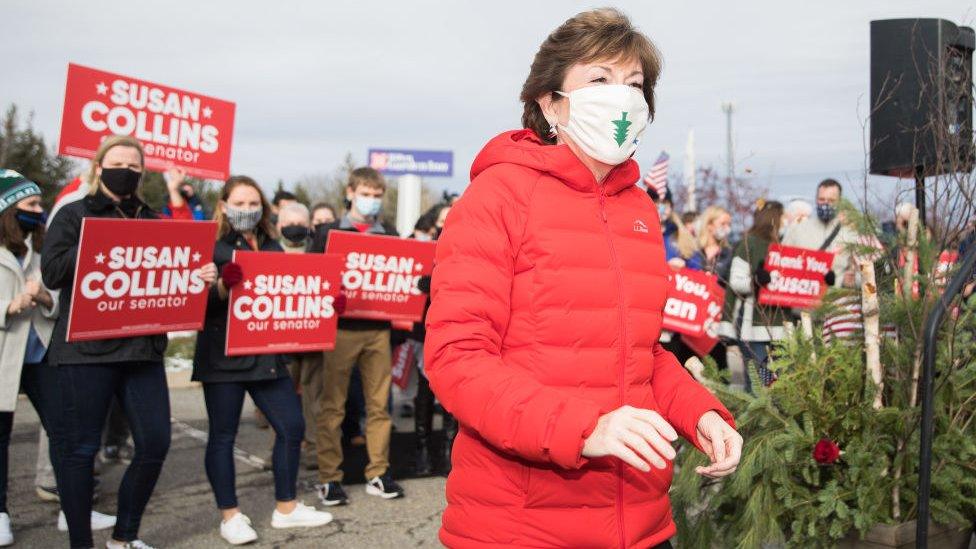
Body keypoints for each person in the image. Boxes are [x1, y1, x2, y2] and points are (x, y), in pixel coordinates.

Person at [424, 9, 741, 548]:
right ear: (550, 102)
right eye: (599, 79)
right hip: (523, 526)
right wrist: (583, 428)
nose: (621, 96)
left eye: (634, 84)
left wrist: (701, 414)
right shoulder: (499, 197)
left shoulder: (639, 212)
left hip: (640, 523)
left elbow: (641, 355)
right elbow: (458, 358)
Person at [42, 136, 218, 549]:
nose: (127, 170)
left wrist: (201, 275)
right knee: (80, 450)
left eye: (135, 165)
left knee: (155, 442)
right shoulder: (72, 215)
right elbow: (52, 273)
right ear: (99, 167)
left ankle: (124, 536)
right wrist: (100, 241)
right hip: (85, 353)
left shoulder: (154, 220)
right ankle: (81, 542)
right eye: (118, 162)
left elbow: (175, 276)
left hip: (141, 351)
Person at [192, 177, 333, 545]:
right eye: (239, 201)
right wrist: (221, 286)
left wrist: (324, 306)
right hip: (222, 356)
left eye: (253, 202)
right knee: (223, 436)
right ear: (223, 205)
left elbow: (287, 293)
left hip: (265, 354)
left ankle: (286, 507)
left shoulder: (271, 243)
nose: (247, 208)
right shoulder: (210, 244)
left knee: (291, 426)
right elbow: (193, 302)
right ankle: (230, 516)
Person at [308, 167, 405, 505]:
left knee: (379, 406)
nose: (372, 201)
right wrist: (326, 295)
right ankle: (328, 478)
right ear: (350, 192)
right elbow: (309, 278)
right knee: (333, 406)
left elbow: (401, 276)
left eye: (378, 196)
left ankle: (378, 471)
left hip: (378, 331)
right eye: (366, 193)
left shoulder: (390, 233)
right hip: (340, 330)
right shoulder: (328, 232)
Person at [276, 201, 327, 468]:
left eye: (300, 223)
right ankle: (281, 453)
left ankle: (314, 450)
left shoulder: (318, 253)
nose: (295, 228)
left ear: (309, 227)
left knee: (315, 398)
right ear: (278, 226)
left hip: (313, 338)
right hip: (279, 342)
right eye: (289, 223)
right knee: (281, 401)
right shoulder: (269, 253)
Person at [408, 205, 457, 476]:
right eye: (441, 220)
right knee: (425, 392)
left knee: (451, 392)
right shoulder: (418, 249)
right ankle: (423, 450)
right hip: (422, 330)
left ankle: (448, 450)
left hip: (452, 326)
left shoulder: (466, 244)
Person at [727, 201, 790, 391]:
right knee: (759, 385)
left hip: (782, 329)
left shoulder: (784, 244)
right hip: (755, 328)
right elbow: (736, 281)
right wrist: (756, 281)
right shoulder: (750, 244)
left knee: (780, 386)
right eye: (783, 216)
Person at [782, 179, 857, 287]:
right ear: (816, 200)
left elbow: (858, 273)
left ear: (840, 202)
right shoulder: (798, 229)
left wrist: (849, 281)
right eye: (822, 199)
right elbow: (781, 262)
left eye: (831, 200)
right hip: (802, 298)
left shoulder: (850, 234)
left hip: (835, 300)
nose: (825, 204)